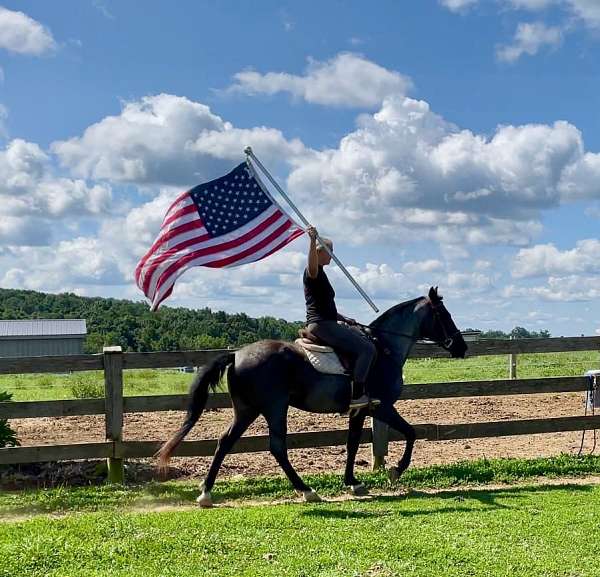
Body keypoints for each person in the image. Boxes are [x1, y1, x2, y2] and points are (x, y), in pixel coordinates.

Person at [303, 225, 379, 410]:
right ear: (321, 252)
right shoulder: (313, 272)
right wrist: (312, 241)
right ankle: (357, 395)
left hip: (326, 321)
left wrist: (345, 319)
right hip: (322, 325)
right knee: (367, 349)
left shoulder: (322, 274)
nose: (332, 256)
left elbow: (326, 307)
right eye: (330, 251)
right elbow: (311, 266)